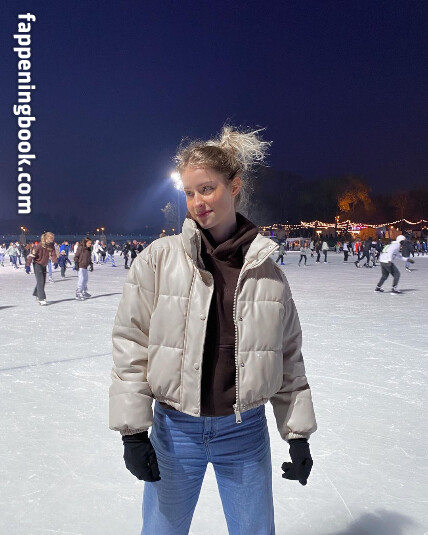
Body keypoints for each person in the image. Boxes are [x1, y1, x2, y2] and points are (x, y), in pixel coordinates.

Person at [109, 126, 317, 535]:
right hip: (175, 431)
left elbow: (287, 356)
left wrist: (297, 434)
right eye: (189, 192)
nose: (196, 203)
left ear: (234, 186)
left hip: (244, 433)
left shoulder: (268, 273)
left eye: (206, 189)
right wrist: (133, 432)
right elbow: (131, 342)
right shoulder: (158, 259)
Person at [25, 232, 58, 306]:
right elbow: (32, 255)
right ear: (46, 238)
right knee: (40, 281)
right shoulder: (40, 245)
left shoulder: (51, 245)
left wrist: (55, 261)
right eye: (51, 238)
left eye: (53, 238)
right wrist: (27, 265)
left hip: (44, 264)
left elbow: (53, 254)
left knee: (43, 282)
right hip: (37, 264)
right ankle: (41, 298)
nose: (52, 239)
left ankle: (37, 293)